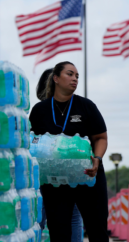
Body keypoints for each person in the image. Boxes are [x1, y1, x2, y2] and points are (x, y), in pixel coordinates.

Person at [30, 61, 109, 242]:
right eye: (70, 74)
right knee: (59, 232)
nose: (74, 79)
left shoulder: (86, 106)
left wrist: (97, 158)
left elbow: (101, 138)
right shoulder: (40, 110)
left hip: (88, 175)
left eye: (77, 76)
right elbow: (32, 143)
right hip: (55, 181)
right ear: (56, 78)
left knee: (97, 229)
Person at [36, 68, 85, 242]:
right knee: (72, 216)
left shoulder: (38, 113)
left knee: (38, 217)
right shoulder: (76, 111)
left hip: (43, 175)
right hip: (70, 174)